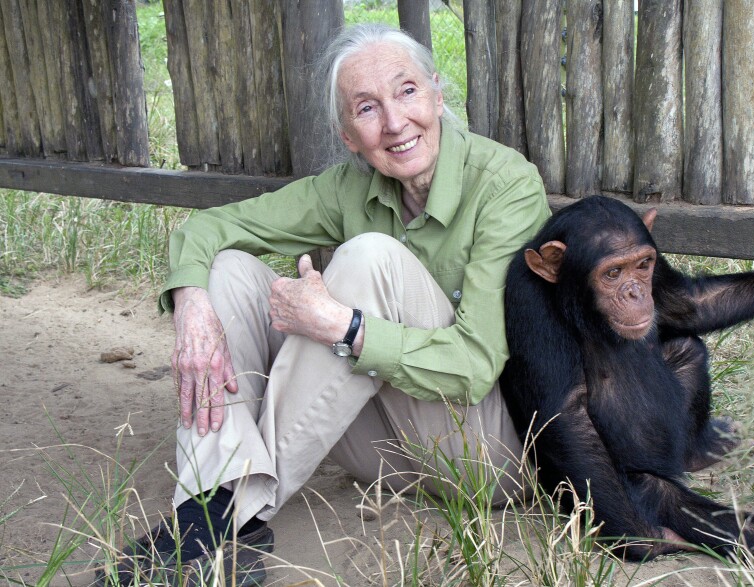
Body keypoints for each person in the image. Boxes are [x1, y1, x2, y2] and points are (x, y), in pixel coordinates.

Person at [102, 22, 551, 585]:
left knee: (368, 258)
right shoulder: (347, 187)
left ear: (437, 93)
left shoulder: (506, 183)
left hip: (485, 455)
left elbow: (474, 367)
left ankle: (222, 516)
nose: (393, 122)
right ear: (347, 136)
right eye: (367, 108)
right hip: (384, 457)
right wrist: (191, 300)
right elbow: (215, 226)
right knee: (228, 271)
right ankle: (212, 503)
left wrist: (343, 325)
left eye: (407, 91)